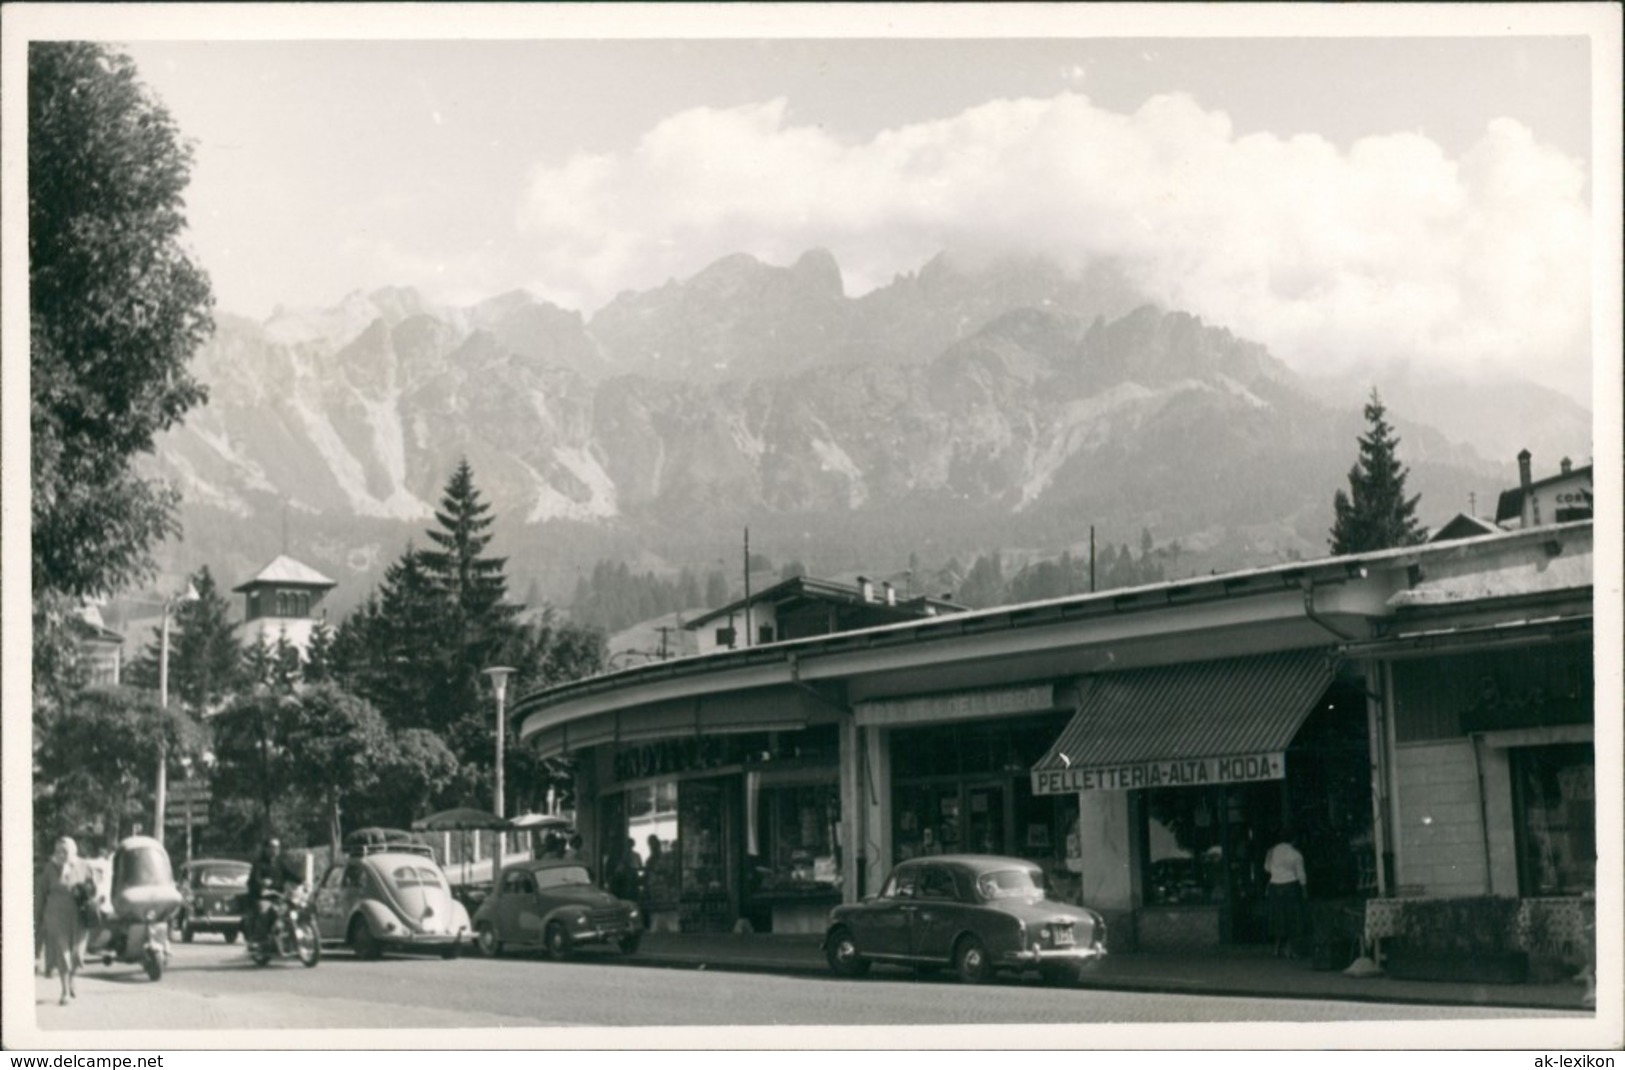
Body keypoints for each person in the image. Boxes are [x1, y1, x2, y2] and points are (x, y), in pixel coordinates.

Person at [35, 836, 93, 1005]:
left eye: (65, 851)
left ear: (73, 852)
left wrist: (86, 891)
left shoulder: (84, 866)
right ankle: (65, 991)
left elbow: (93, 888)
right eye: (58, 851)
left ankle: (72, 978)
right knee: (63, 954)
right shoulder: (50, 868)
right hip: (56, 916)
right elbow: (41, 894)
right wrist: (37, 917)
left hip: (79, 916)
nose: (61, 854)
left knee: (77, 955)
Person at [1264, 828, 1309, 958]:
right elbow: (1301, 874)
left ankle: (1277, 948)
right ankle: (1290, 948)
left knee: (1278, 918)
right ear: (1294, 840)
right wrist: (1305, 890)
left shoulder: (1272, 851)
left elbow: (1267, 868)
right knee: (1292, 918)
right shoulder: (1296, 854)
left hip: (1275, 885)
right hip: (1291, 886)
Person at [246, 836, 297, 948]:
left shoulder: (280, 863)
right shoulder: (259, 864)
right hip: (263, 897)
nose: (275, 850)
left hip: (278, 896)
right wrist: (262, 883)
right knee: (264, 911)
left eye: (277, 847)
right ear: (266, 848)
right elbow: (253, 880)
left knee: (293, 909)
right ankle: (259, 939)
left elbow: (291, 874)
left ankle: (289, 937)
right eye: (272, 847)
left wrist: (303, 881)